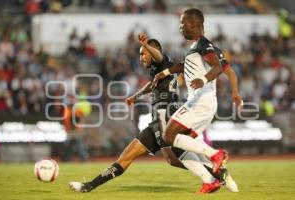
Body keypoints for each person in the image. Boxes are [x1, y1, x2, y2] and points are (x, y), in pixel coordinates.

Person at [69, 34, 238, 194]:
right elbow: (153, 84)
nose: (141, 57)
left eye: (143, 54)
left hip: (165, 114)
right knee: (136, 156)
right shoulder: (158, 71)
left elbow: (158, 56)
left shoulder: (161, 62)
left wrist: (145, 45)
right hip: (157, 118)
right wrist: (137, 96)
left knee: (175, 155)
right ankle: (89, 186)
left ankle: (216, 173)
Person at [152, 8, 238, 174]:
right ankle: (216, 177)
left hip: (199, 102)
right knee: (179, 146)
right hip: (204, 103)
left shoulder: (202, 44)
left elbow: (218, 67)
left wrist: (204, 79)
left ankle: (216, 155)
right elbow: (184, 66)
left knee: (168, 136)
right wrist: (164, 73)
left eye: (182, 23)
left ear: (192, 24)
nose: (180, 27)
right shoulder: (201, 47)